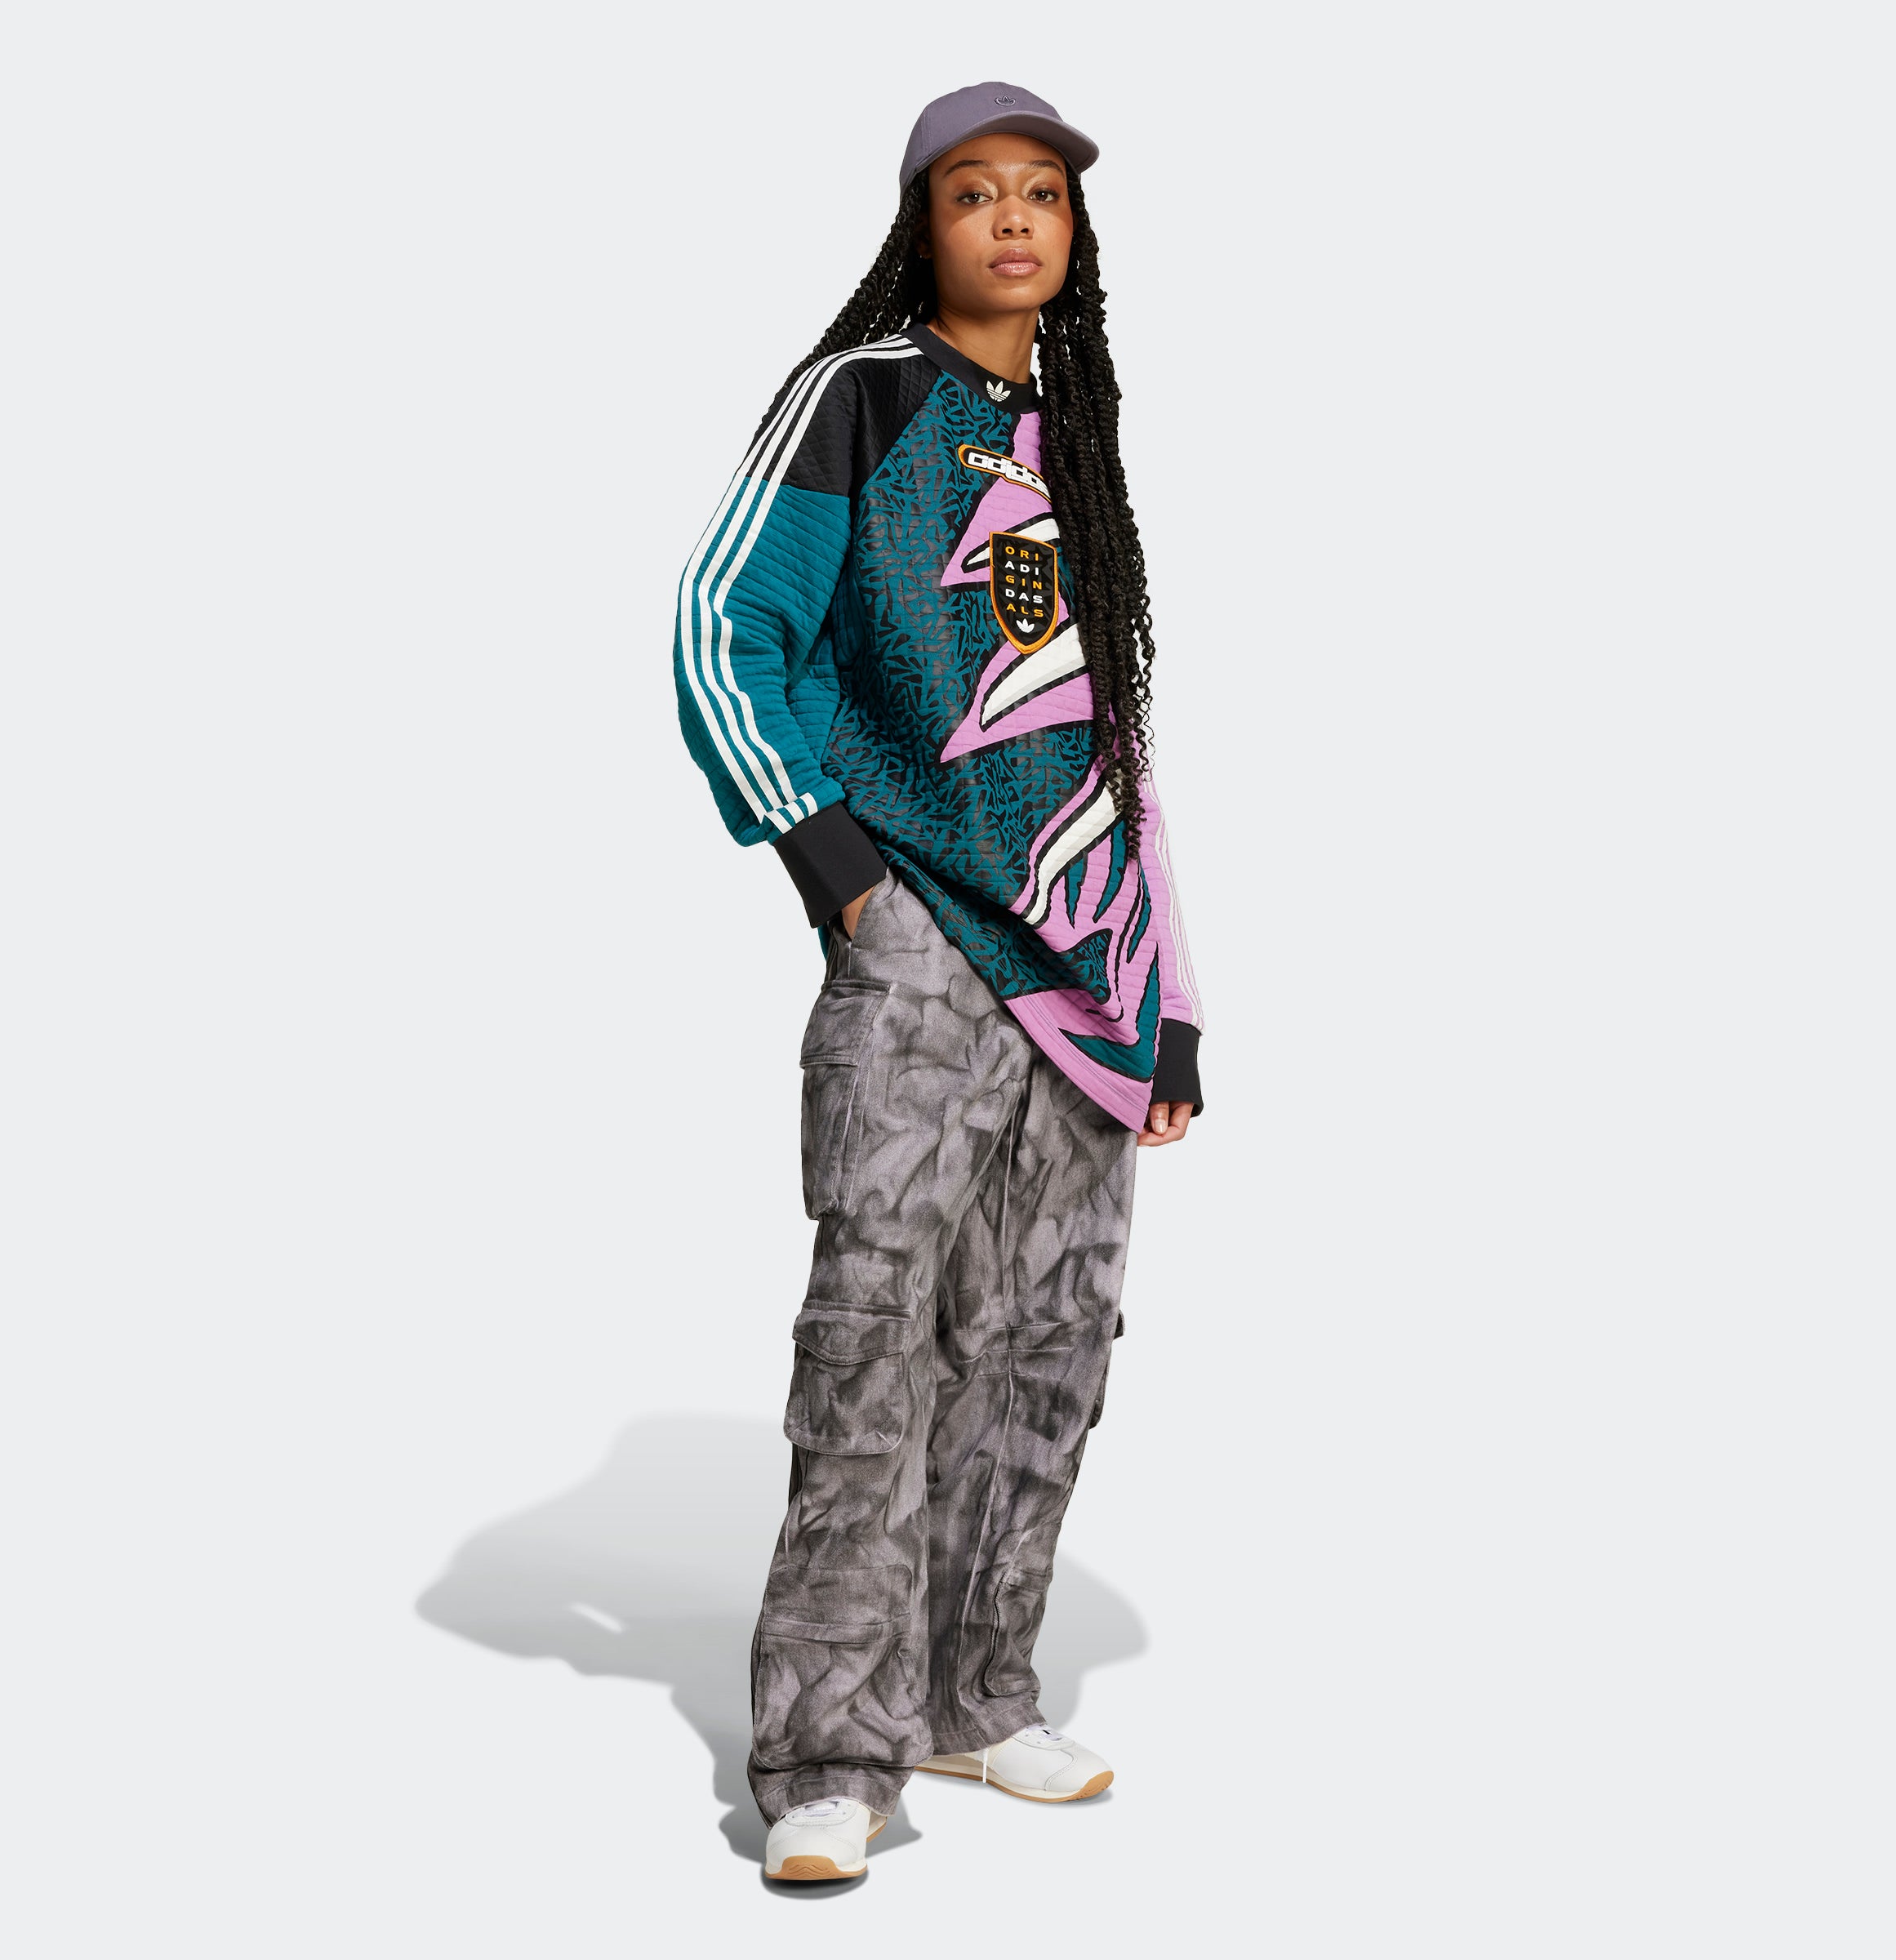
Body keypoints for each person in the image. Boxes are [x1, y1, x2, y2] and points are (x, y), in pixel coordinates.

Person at [670, 80, 1208, 1883]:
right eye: (974, 193)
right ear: (924, 226)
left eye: (1041, 192)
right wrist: (840, 878)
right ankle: (833, 1751)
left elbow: (1105, 750)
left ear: (1075, 232)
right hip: (918, 953)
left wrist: (1169, 994)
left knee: (1047, 1347)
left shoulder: (1073, 445)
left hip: (1086, 984)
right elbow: (725, 626)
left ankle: (975, 1696)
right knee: (875, 1335)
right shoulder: (864, 394)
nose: (1012, 218)